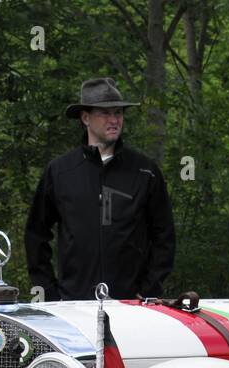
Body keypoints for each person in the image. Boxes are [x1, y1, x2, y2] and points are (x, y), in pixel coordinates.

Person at [25, 77, 175, 301]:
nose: (114, 120)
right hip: (73, 304)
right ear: (86, 117)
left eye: (119, 113)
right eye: (105, 113)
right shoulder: (60, 172)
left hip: (132, 306)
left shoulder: (145, 171)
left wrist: (147, 291)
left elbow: (164, 237)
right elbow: (36, 235)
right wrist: (49, 292)